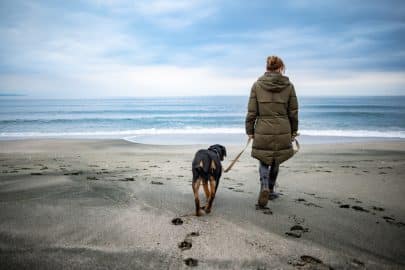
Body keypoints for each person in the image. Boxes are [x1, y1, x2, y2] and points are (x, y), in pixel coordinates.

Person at [245, 55, 299, 208]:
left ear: (267, 68)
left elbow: (251, 112)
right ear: (281, 68)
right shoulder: (289, 86)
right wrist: (294, 131)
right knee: (277, 159)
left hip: (263, 128)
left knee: (264, 159)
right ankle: (272, 189)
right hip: (283, 129)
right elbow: (293, 112)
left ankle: (264, 187)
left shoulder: (257, 85)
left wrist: (250, 131)